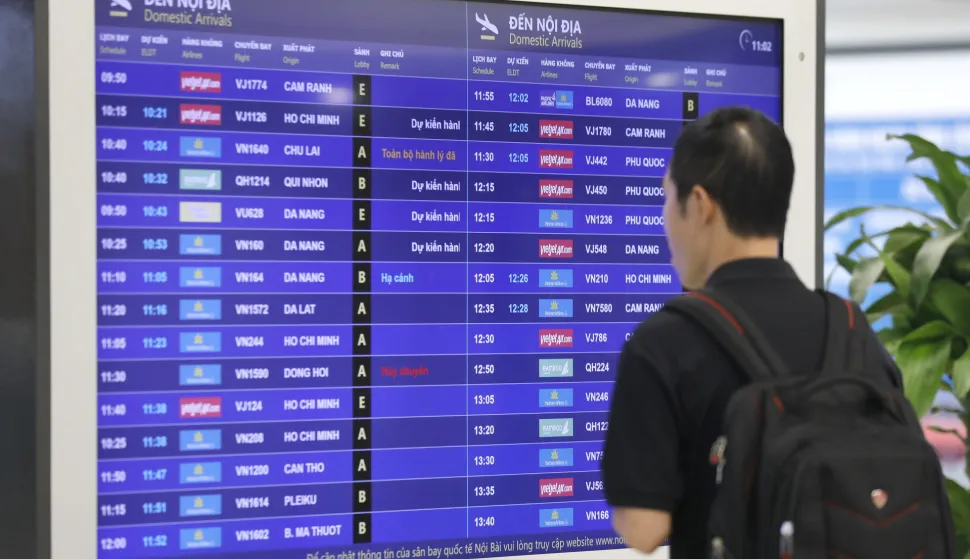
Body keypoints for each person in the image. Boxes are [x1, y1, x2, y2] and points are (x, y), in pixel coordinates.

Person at [600, 107, 903, 558]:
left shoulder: (663, 343)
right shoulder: (855, 330)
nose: (664, 219)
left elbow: (643, 530)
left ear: (700, 205)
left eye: (666, 198)